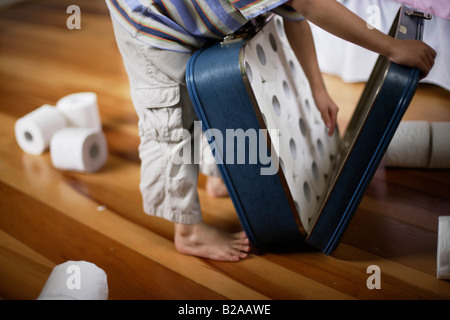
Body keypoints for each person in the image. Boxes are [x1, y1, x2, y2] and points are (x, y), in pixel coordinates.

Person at [105, 0, 436, 262]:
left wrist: (318, 88)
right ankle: (188, 232)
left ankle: (225, 176)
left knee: (214, 92)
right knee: (173, 118)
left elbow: (296, 14)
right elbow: (310, 4)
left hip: (197, 15)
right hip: (151, 23)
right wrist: (390, 46)